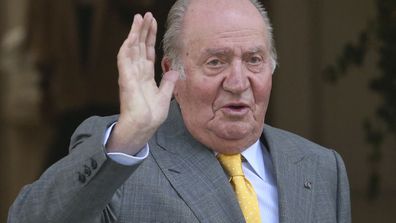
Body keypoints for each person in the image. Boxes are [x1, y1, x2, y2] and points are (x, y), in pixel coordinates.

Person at [8, 0, 351, 222]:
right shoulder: (122, 155)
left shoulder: (322, 168)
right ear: (173, 71)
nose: (238, 81)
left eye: (254, 60)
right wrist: (128, 139)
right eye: (215, 62)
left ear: (272, 68)